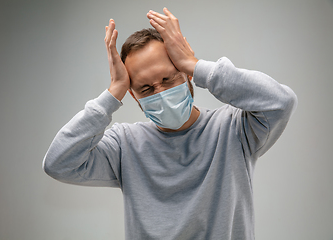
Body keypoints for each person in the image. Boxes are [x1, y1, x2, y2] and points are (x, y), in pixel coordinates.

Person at [43, 8, 297, 240]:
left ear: (185, 73)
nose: (160, 91)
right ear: (133, 95)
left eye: (168, 78)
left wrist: (196, 65)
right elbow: (58, 163)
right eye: (146, 88)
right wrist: (112, 94)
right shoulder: (125, 145)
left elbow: (280, 101)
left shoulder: (233, 129)